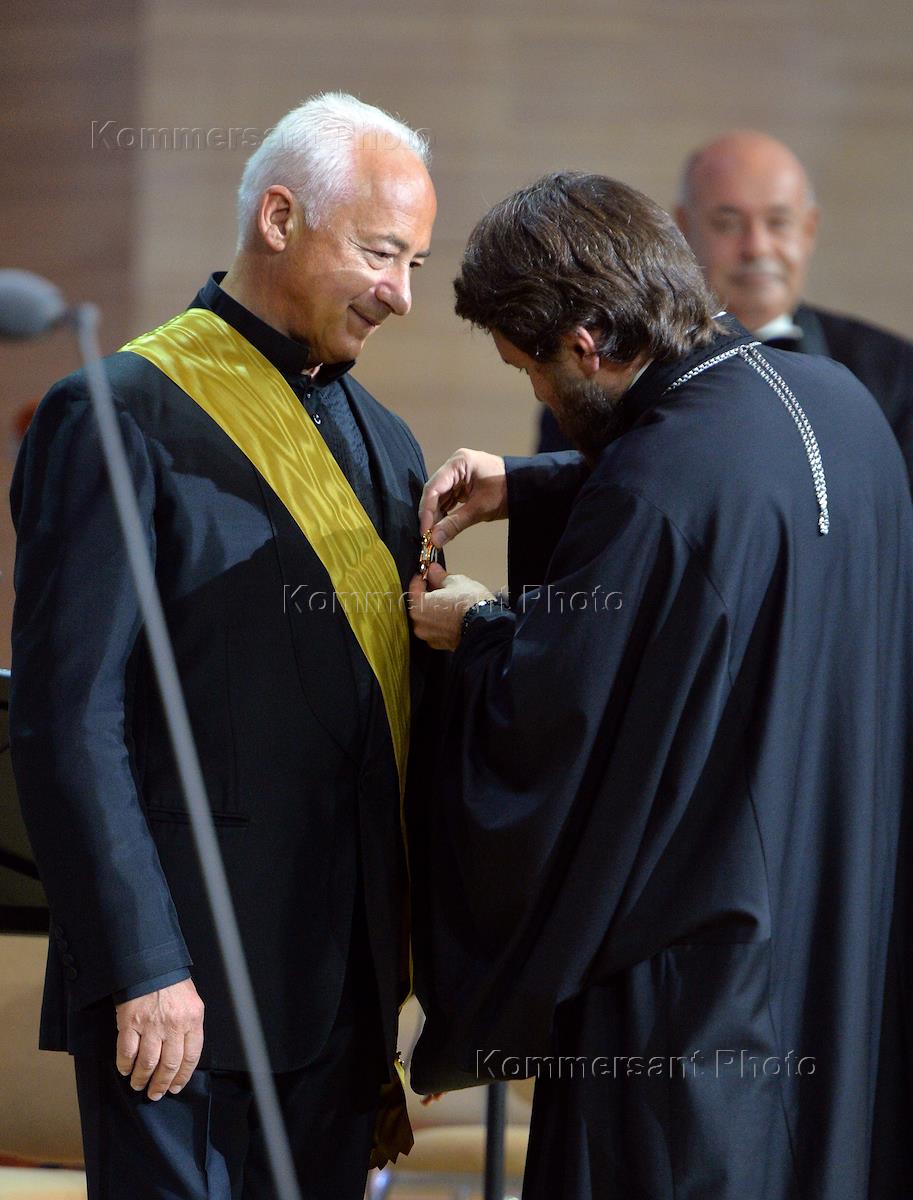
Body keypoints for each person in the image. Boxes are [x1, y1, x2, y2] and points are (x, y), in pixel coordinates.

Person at [407, 172, 913, 1198]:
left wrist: (478, 630)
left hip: (686, 984)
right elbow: (724, 503)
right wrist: (531, 482)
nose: (539, 398)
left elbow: (566, 716)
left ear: (587, 339)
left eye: (532, 369)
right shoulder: (838, 402)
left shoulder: (659, 486)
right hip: (829, 937)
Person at [10, 92, 436, 1200]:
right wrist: (143, 964)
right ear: (280, 219)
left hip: (341, 997)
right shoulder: (114, 413)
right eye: (381, 253)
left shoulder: (389, 445)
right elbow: (68, 718)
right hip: (179, 998)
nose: (401, 294)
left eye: (414, 263)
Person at [537, 131, 913, 472]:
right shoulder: (603, 368)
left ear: (809, 229)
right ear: (682, 229)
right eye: (728, 223)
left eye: (778, 222)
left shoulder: (894, 370)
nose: (756, 247)